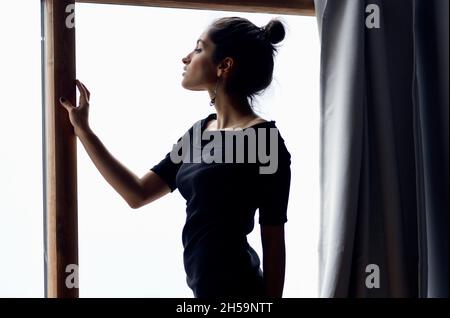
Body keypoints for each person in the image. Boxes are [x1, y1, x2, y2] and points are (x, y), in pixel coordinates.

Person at [59, 16, 291, 298]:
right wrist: (84, 131)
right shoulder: (198, 134)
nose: (186, 58)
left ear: (224, 65)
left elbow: (273, 239)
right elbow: (137, 193)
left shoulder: (265, 141)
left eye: (198, 49)